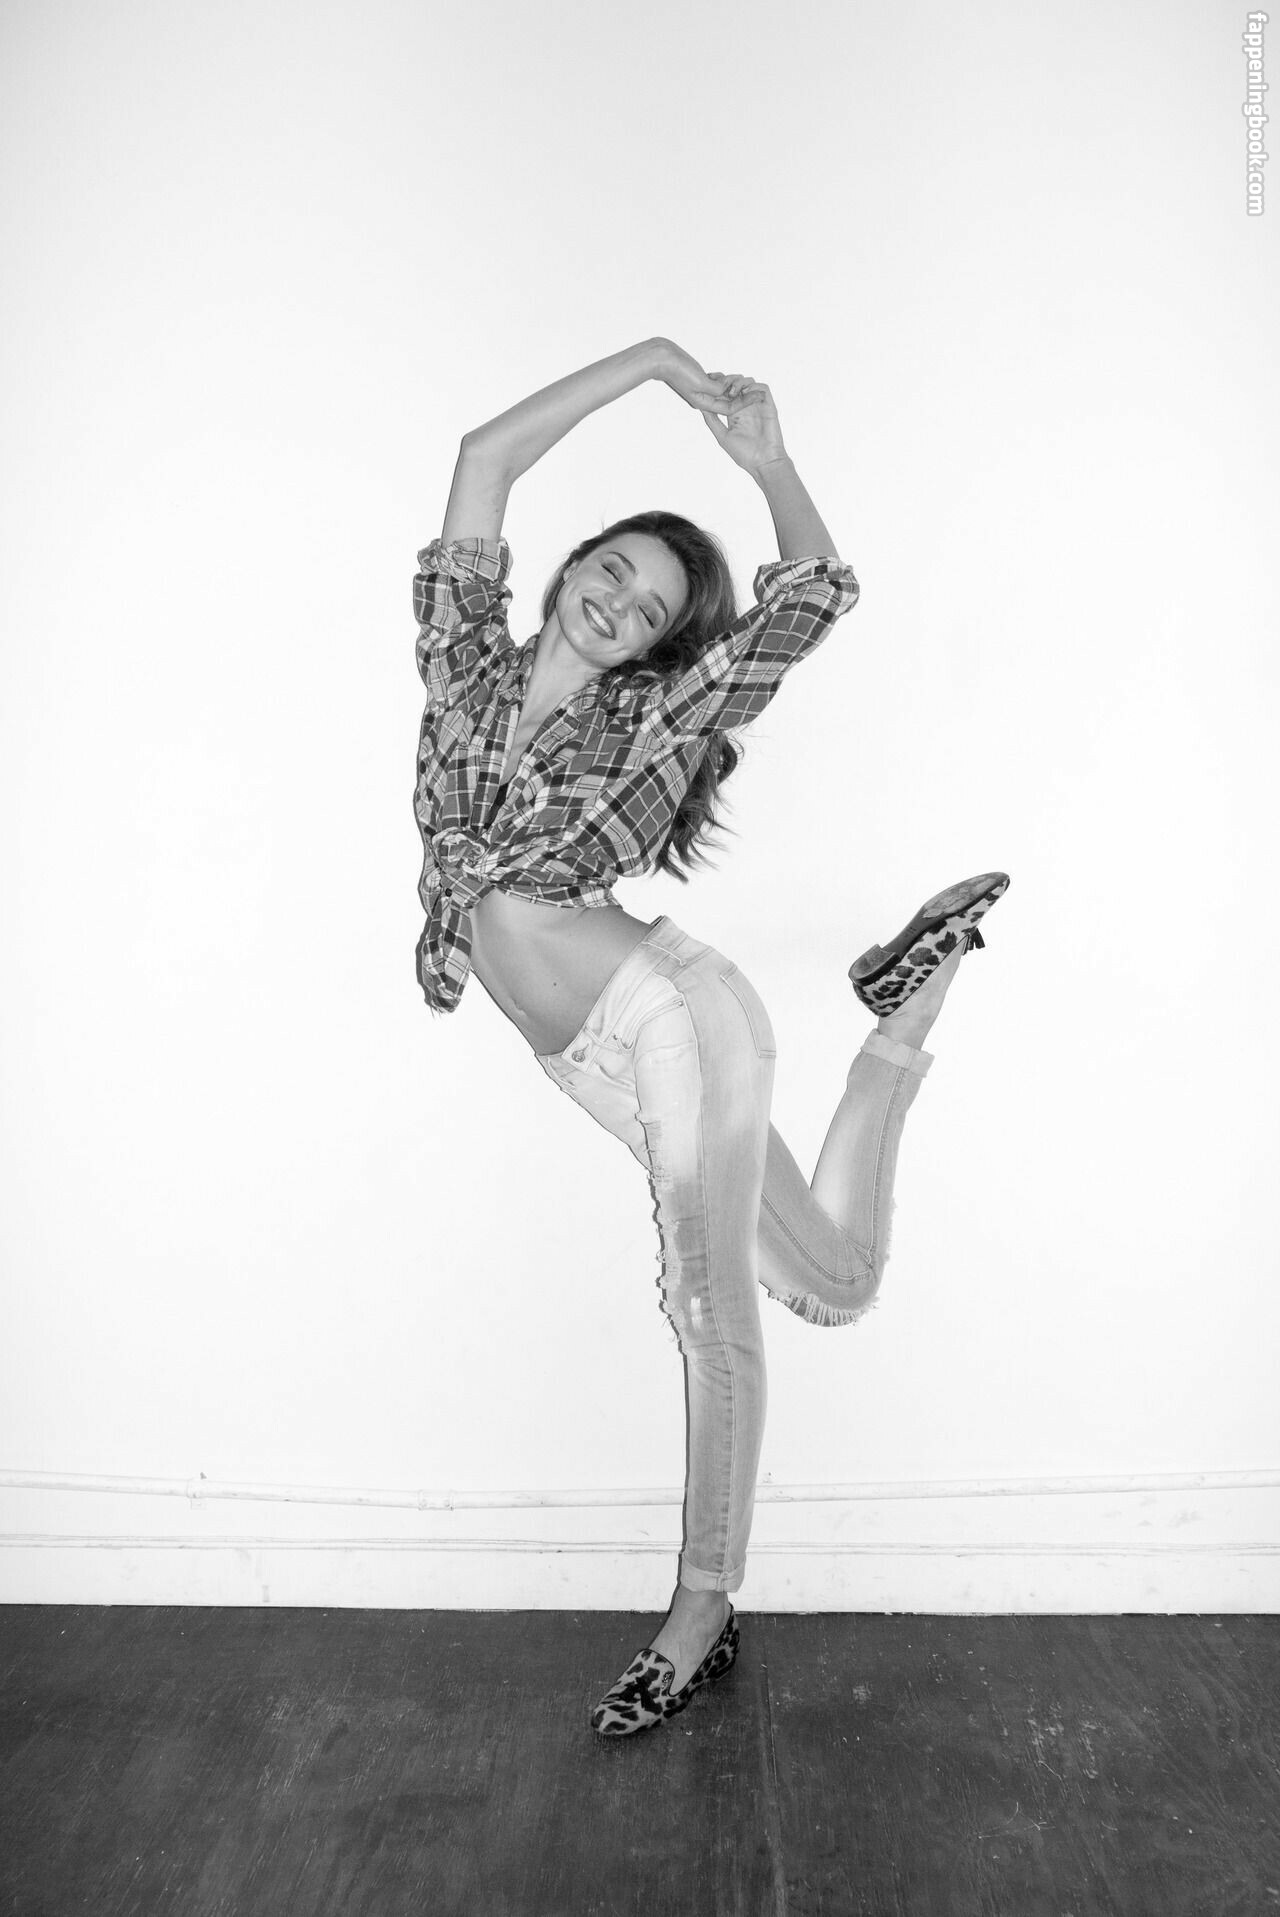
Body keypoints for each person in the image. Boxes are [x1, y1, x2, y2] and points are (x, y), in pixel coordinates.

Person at [412, 337, 1009, 1738]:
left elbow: (816, 592)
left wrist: (769, 463)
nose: (620, 604)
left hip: (668, 1016)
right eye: (614, 570)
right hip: (589, 1060)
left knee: (707, 1306)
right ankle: (905, 1015)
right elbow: (484, 460)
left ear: (658, 648)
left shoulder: (652, 713)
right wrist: (653, 367)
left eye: (651, 611)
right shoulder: (462, 669)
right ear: (571, 566)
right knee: (836, 1282)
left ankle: (701, 1610)